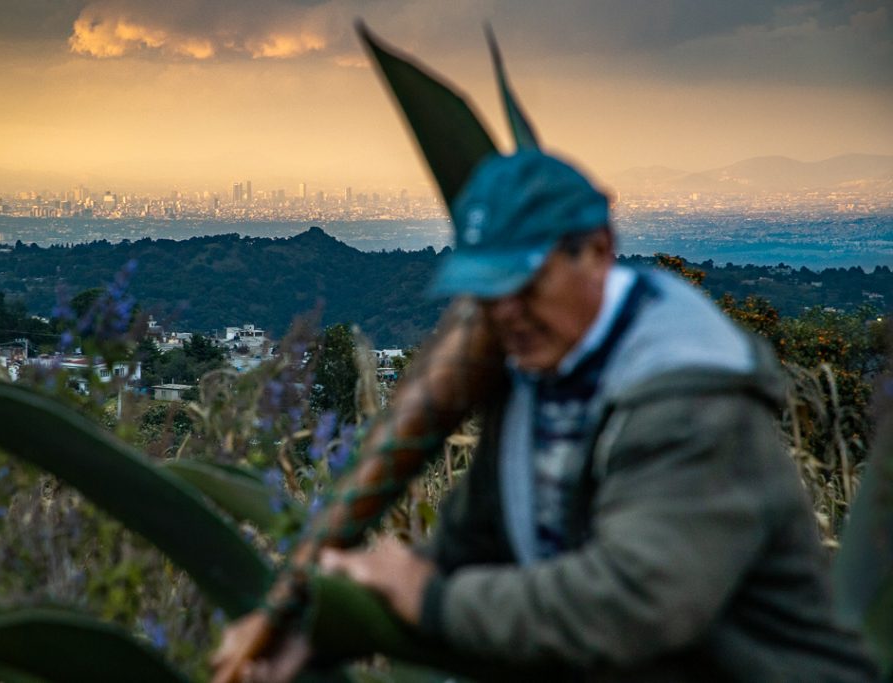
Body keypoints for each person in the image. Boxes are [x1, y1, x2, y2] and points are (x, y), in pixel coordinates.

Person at [310, 149, 878, 681]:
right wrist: (324, 621)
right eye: (487, 291)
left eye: (527, 284)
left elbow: (635, 607)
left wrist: (431, 600)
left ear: (599, 250)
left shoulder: (690, 399)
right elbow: (471, 543)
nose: (505, 314)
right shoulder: (538, 373)